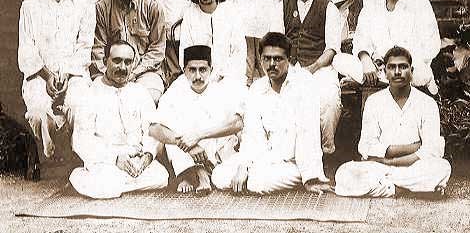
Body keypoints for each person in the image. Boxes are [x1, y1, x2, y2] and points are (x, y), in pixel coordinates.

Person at [212, 32, 331, 195]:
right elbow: (252, 135)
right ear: (260, 59)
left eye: (278, 59)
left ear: (288, 59)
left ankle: (253, 179)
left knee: (257, 182)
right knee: (218, 176)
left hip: (293, 163)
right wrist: (245, 165)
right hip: (263, 158)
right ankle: (247, 176)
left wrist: (310, 178)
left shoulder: (304, 84)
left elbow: (308, 133)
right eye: (266, 59)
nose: (272, 64)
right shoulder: (256, 88)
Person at [334, 46, 451, 198]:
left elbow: (432, 150)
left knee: (441, 167)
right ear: (384, 72)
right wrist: (411, 148)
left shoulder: (427, 103)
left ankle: (391, 187)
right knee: (344, 173)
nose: (397, 72)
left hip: (412, 165)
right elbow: (365, 147)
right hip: (380, 167)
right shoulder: (374, 101)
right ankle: (409, 189)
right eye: (392, 67)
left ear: (412, 71)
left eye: (403, 67)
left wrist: (391, 160)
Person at [18, 0, 94, 158]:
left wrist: (68, 74)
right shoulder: (30, 6)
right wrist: (47, 75)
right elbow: (26, 48)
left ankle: (77, 153)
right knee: (37, 111)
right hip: (40, 74)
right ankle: (51, 151)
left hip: (75, 74)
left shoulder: (83, 4)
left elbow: (85, 45)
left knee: (80, 105)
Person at [70, 40, 169, 199]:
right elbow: (81, 141)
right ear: (105, 62)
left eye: (128, 62)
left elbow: (152, 128)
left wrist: (147, 156)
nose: (122, 67)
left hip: (136, 161)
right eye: (117, 61)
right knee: (105, 183)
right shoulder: (90, 94)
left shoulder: (140, 92)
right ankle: (98, 180)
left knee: (162, 176)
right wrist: (115, 159)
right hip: (106, 162)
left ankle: (116, 185)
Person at [270, 0, 342, 157]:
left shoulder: (329, 8)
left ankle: (327, 151)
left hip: (320, 68)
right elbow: (276, 45)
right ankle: (289, 154)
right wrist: (289, 71)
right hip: (289, 68)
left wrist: (311, 69)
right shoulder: (281, 7)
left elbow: (331, 49)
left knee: (329, 100)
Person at [333, 0, 440, 92]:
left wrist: (399, 62)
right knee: (339, 60)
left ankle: (371, 81)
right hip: (378, 68)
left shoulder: (420, 4)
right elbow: (361, 40)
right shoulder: (371, 7)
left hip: (408, 67)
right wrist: (366, 61)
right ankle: (378, 80)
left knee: (421, 74)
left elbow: (431, 45)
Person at [149, 45, 244, 195]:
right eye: (192, 70)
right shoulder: (176, 90)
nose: (198, 76)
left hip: (216, 149)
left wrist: (199, 136)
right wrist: (189, 145)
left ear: (211, 70)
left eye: (203, 70)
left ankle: (194, 174)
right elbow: (154, 128)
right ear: (184, 70)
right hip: (186, 149)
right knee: (171, 135)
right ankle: (197, 172)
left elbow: (238, 123)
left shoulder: (222, 89)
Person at [91, 0, 166, 104]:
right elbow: (98, 48)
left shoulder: (153, 6)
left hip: (145, 72)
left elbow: (157, 50)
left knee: (148, 98)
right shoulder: (101, 8)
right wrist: (109, 75)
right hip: (110, 71)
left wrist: (134, 72)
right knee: (100, 100)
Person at [179, 0, 246, 83]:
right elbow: (185, 54)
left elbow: (239, 53)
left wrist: (222, 76)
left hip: (229, 77)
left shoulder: (231, 12)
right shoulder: (189, 15)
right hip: (197, 78)